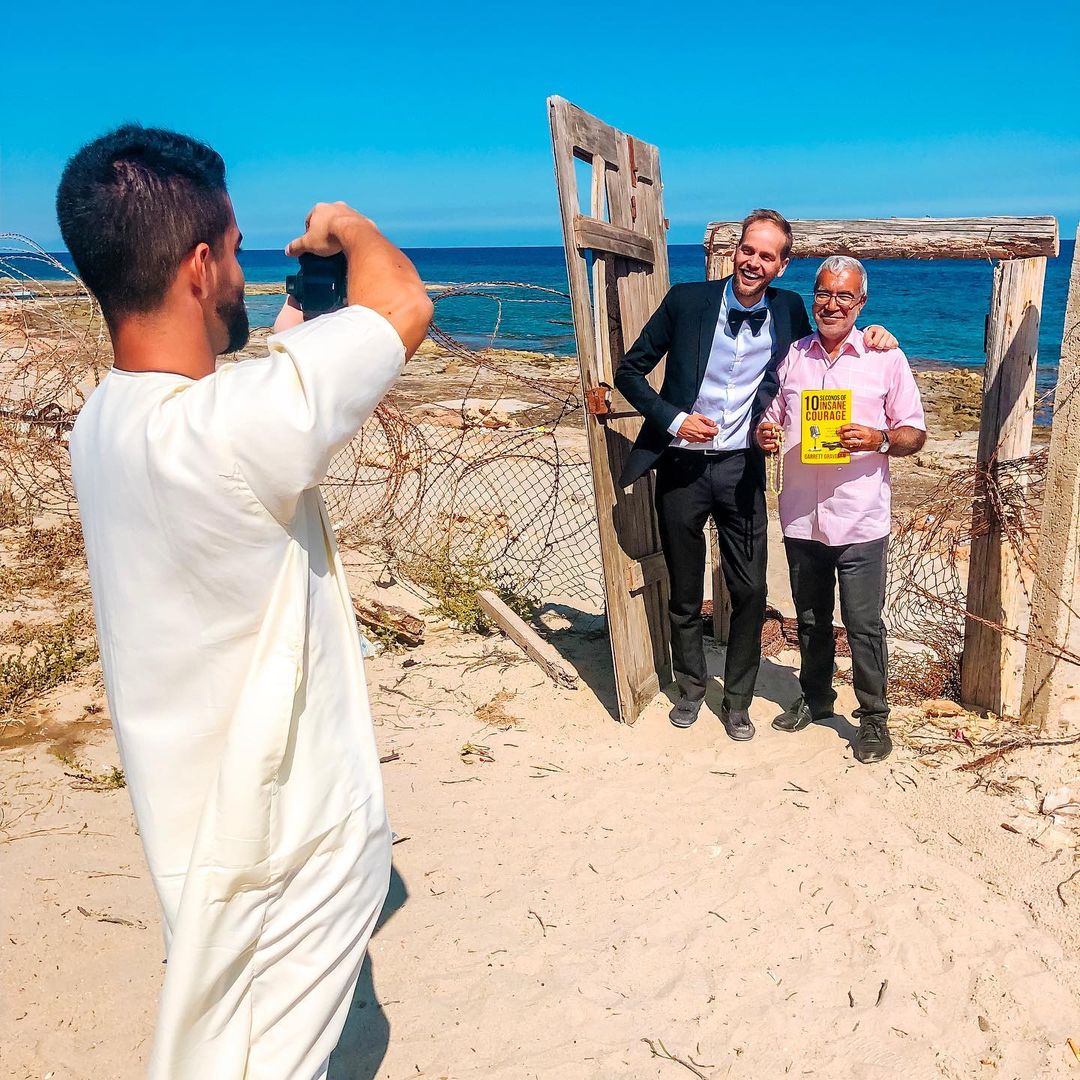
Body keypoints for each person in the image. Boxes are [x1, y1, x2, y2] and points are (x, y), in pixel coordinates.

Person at [57, 125, 432, 1078]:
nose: (238, 274)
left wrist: (300, 326)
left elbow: (256, 401)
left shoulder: (105, 423)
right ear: (196, 265)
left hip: (196, 832)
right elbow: (403, 303)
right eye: (229, 252)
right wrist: (345, 226)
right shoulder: (234, 431)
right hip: (276, 852)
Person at [614, 210, 897, 736]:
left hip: (742, 468)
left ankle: (738, 700)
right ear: (735, 251)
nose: (754, 262)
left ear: (781, 266)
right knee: (683, 589)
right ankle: (691, 687)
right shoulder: (686, 300)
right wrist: (673, 419)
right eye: (748, 250)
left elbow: (829, 344)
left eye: (767, 256)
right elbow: (628, 371)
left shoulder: (790, 309)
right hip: (680, 465)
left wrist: (879, 334)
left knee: (749, 590)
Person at [756, 256, 926, 763]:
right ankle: (816, 698)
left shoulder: (885, 357)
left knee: (864, 625)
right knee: (810, 618)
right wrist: (765, 433)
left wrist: (879, 439)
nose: (832, 305)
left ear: (861, 303)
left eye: (844, 296)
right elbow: (771, 415)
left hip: (860, 517)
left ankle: (873, 718)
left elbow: (914, 433)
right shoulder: (792, 356)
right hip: (801, 514)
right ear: (814, 297)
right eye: (824, 294)